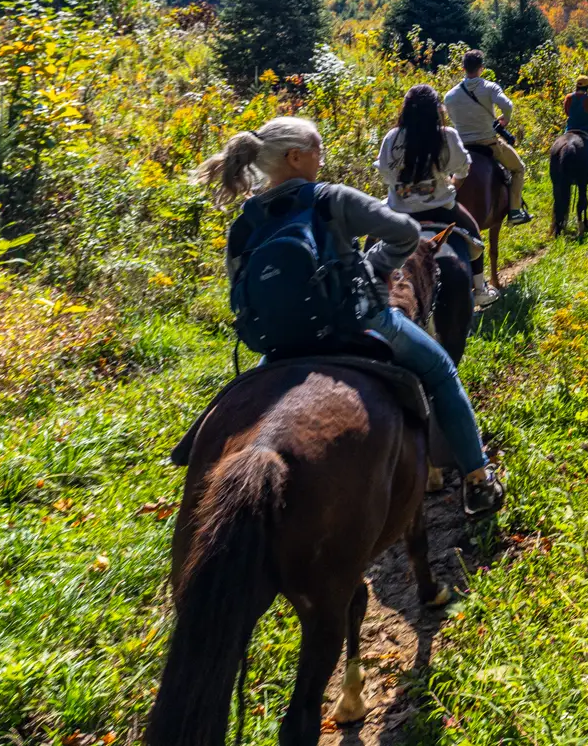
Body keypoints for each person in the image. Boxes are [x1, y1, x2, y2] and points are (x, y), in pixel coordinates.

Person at [194, 115, 504, 513]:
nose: (321, 159)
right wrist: (374, 264)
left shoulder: (244, 224)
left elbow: (238, 290)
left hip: (279, 342)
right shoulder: (330, 198)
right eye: (316, 150)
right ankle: (478, 481)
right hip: (356, 321)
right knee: (442, 371)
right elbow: (406, 233)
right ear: (294, 157)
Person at [376, 85, 491, 308]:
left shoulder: (392, 138)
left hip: (399, 211)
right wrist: (454, 185)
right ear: (436, 110)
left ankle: (368, 289)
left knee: (371, 245)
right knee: (474, 234)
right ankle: (480, 289)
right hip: (441, 208)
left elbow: (386, 176)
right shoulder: (447, 136)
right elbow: (462, 168)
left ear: (406, 110)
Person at [445, 50, 532, 226]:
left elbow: (452, 118)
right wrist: (505, 118)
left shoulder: (450, 96)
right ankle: (515, 211)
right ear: (481, 68)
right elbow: (507, 104)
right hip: (489, 143)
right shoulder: (490, 87)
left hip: (461, 146)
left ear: (463, 68)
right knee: (518, 169)